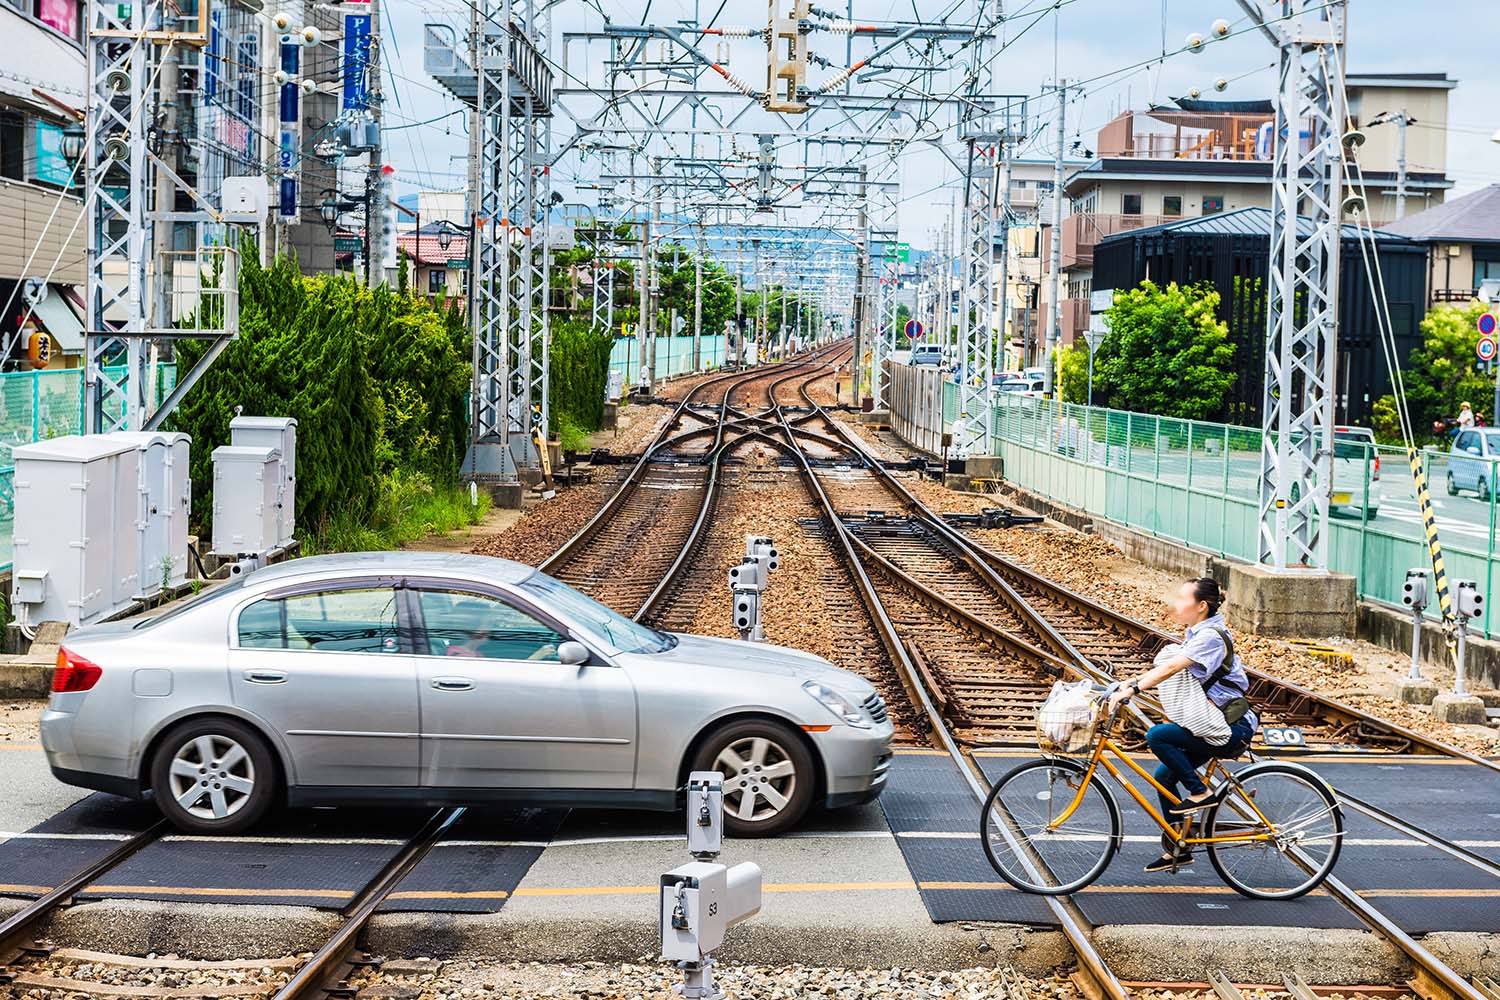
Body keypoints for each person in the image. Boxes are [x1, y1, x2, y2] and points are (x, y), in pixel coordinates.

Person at [1107, 578, 1258, 873]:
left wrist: (1135, 690)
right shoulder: (1197, 634)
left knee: (1158, 735)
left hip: (1231, 727)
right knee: (1164, 776)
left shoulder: (1210, 637)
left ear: (1201, 606)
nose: (1176, 604)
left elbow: (1174, 667)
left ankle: (1200, 793)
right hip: (1212, 723)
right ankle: (1181, 845)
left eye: (1182, 598)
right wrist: (1130, 682)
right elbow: (1167, 667)